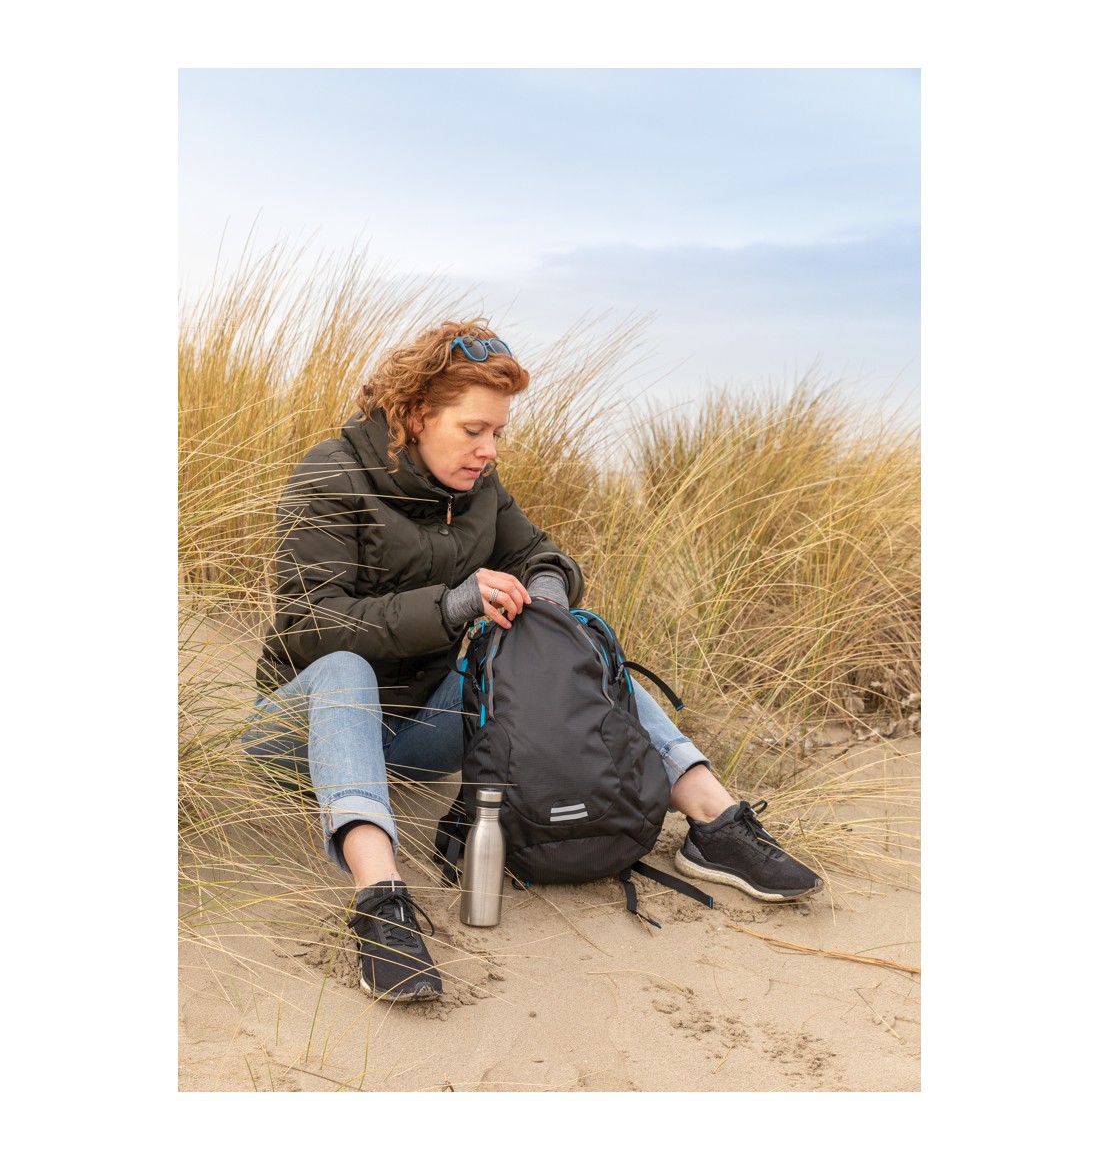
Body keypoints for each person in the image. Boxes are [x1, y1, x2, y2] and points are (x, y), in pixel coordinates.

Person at [243, 321, 821, 1003]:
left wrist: (546, 600)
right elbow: (311, 627)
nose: (488, 450)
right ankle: (381, 899)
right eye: (473, 430)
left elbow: (544, 556)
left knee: (573, 642)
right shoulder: (331, 473)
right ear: (415, 414)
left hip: (419, 733)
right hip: (298, 735)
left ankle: (712, 819)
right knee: (346, 668)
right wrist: (452, 605)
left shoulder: (478, 486)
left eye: (497, 433)